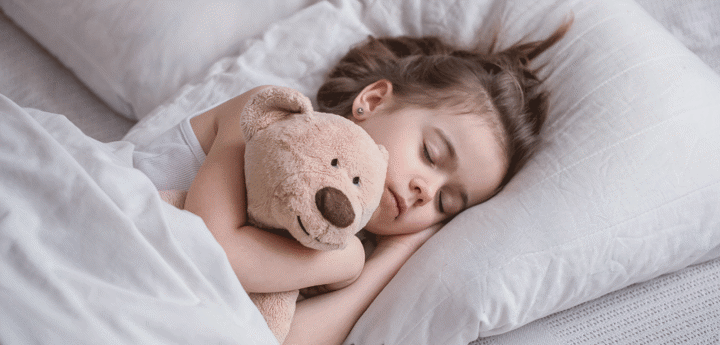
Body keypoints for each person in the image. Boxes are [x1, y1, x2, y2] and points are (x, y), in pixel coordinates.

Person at [133, 20, 571, 345]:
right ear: (374, 100)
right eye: (430, 154)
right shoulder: (268, 116)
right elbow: (206, 252)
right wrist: (345, 262)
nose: (426, 192)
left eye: (448, 202)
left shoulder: (338, 241)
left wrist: (388, 256)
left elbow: (278, 338)